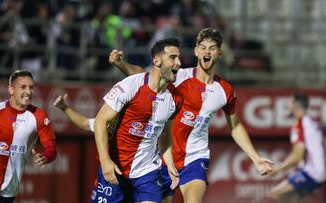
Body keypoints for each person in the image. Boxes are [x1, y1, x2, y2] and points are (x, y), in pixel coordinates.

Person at [109, 28, 274, 203]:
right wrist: (122, 64)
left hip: (196, 157)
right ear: (196, 51)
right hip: (166, 156)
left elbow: (235, 125)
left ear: (219, 53)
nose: (207, 52)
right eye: (202, 47)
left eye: (211, 48)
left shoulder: (225, 90)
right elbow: (144, 75)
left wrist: (255, 158)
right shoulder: (179, 76)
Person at [92, 37, 183, 203]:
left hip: (147, 172)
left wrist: (169, 163)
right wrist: (105, 161)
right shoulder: (131, 85)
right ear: (156, 60)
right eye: (172, 57)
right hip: (116, 168)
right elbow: (100, 121)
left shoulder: (176, 99)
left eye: (179, 58)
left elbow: (166, 134)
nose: (178, 63)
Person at [0, 69, 57, 203]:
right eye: (23, 87)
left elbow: (51, 148)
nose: (28, 92)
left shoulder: (39, 116)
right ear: (11, 90)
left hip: (10, 185)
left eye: (31, 88)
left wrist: (46, 157)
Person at [268, 93, 326, 202]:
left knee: (274, 195)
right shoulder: (313, 123)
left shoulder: (299, 125)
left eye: (289, 103)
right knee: (292, 199)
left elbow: (297, 157)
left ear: (295, 105)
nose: (287, 105)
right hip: (319, 171)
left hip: (312, 173)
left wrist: (277, 170)